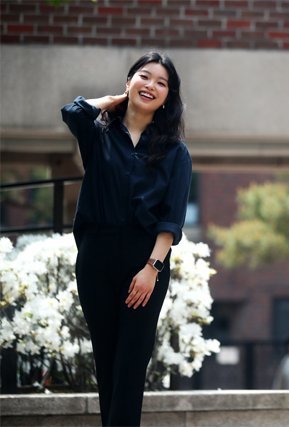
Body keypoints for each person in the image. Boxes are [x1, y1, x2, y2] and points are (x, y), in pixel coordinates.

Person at [61, 52, 191, 426]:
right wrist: (114, 102)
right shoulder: (99, 136)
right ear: (129, 81)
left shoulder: (175, 152)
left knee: (132, 362)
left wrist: (152, 268)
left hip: (145, 259)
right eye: (144, 77)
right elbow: (72, 112)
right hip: (96, 256)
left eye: (161, 82)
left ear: (169, 96)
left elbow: (171, 219)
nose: (151, 85)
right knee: (106, 359)